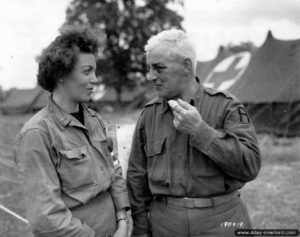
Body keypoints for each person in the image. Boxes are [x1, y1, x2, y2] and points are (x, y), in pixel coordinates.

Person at [126, 29, 261, 237]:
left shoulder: (227, 106)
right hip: (165, 224)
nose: (151, 76)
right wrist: (142, 229)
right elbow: (137, 178)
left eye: (159, 68)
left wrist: (201, 132)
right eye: (149, 68)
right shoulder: (149, 114)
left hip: (220, 220)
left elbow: (250, 166)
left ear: (186, 66)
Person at [14, 27, 131, 237]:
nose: (95, 79)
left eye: (95, 71)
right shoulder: (37, 134)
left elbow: (114, 172)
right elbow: (46, 217)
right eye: (87, 71)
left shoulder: (94, 120)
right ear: (61, 73)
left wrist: (122, 219)